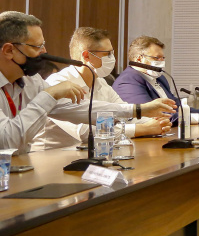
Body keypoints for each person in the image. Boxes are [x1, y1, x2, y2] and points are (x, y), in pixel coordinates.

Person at [0, 12, 175, 154]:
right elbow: (7, 141)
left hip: (25, 166)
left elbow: (81, 109)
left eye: (43, 45)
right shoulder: (52, 83)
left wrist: (139, 110)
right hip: (44, 160)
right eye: (37, 47)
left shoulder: (32, 81)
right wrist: (50, 94)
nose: (44, 52)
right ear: (9, 50)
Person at [33, 28, 172, 151]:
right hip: (51, 156)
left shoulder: (101, 82)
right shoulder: (57, 83)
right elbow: (85, 132)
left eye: (112, 53)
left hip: (88, 153)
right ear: (86, 56)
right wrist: (142, 129)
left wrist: (156, 123)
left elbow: (125, 115)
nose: (113, 59)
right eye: (107, 54)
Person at [112, 36, 199, 124]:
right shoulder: (127, 81)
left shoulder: (160, 78)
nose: (161, 61)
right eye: (157, 58)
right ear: (139, 58)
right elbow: (152, 115)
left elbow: (176, 106)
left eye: (163, 58)